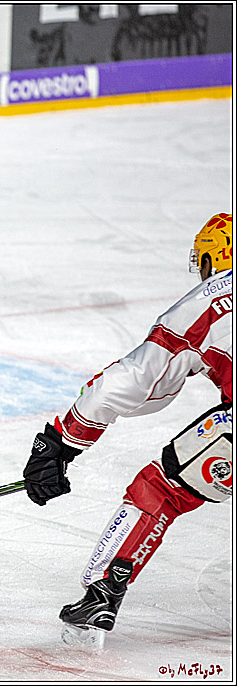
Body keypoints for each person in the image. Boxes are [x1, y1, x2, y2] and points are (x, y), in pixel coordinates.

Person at [22, 212, 233, 649]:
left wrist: (60, 442)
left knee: (161, 490)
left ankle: (102, 596)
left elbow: (136, 379)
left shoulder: (211, 300)